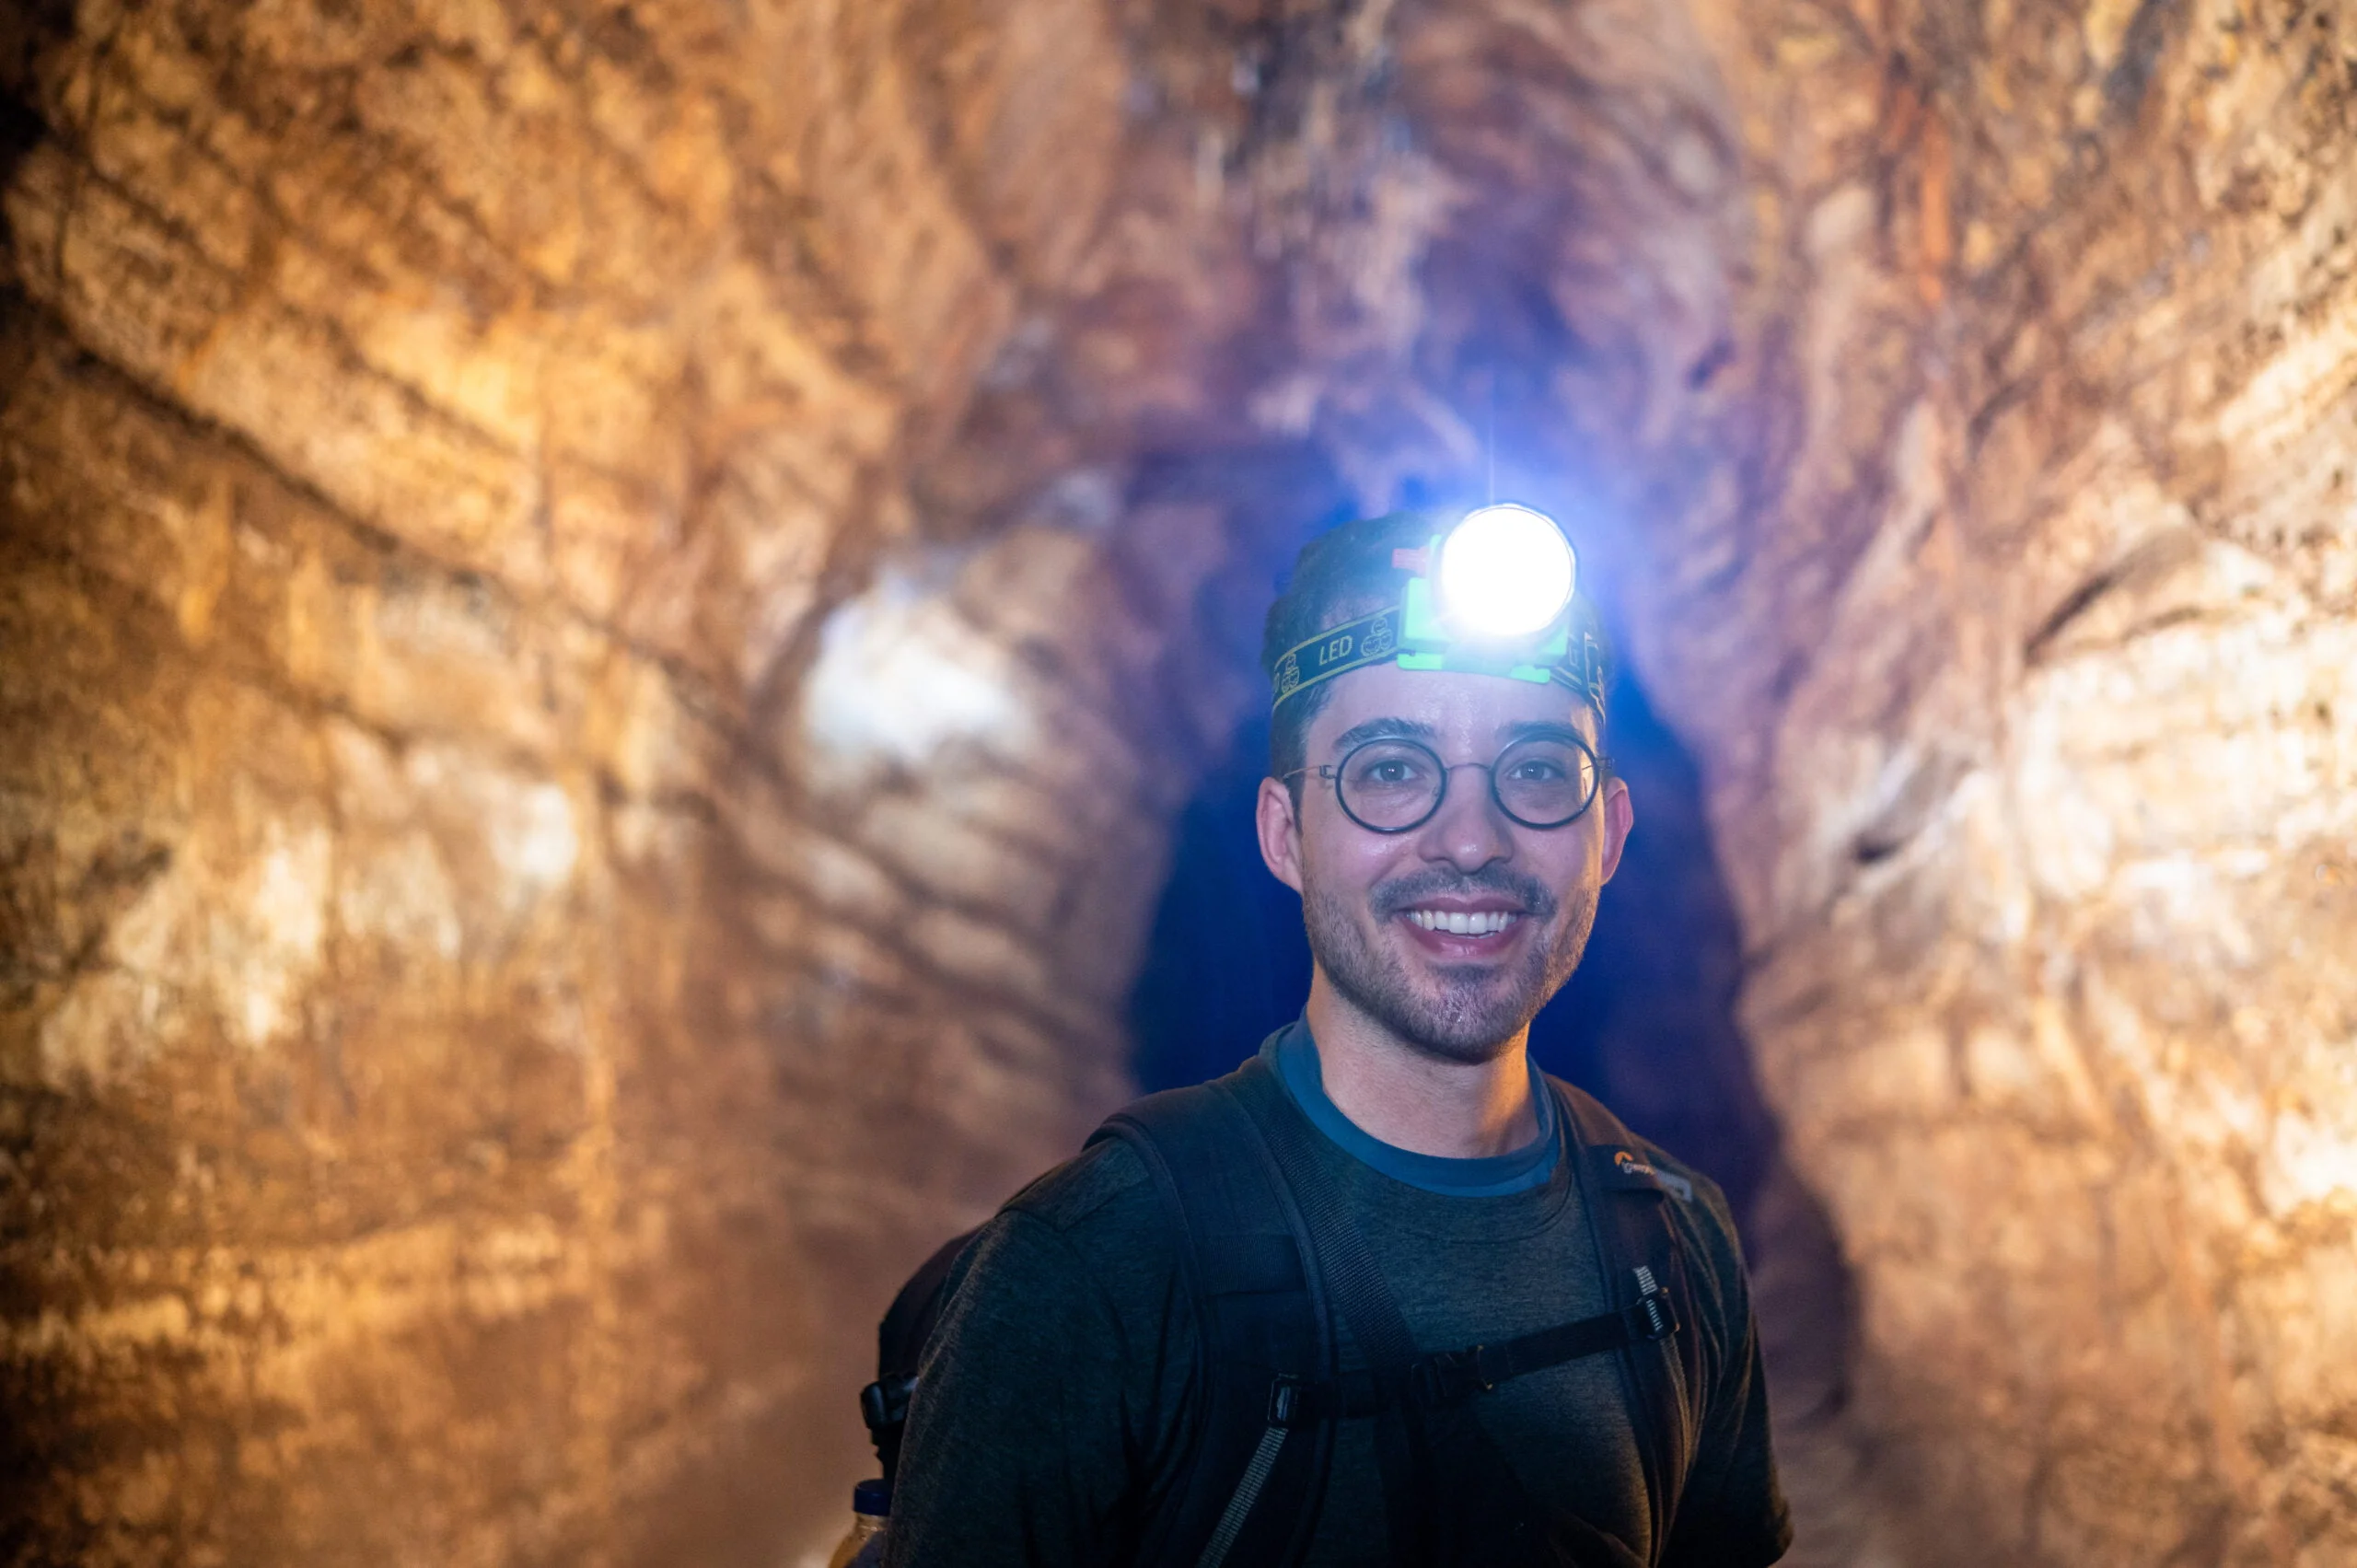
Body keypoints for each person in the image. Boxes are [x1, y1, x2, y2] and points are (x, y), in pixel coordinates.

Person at [882, 507, 1792, 1568]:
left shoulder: (1678, 1244)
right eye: (1390, 769)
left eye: (1539, 769)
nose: (1470, 838)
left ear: (1610, 834)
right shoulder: (1095, 1269)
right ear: (1284, 833)